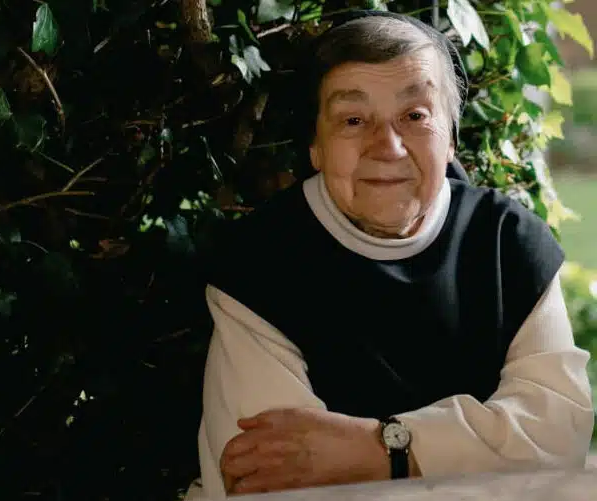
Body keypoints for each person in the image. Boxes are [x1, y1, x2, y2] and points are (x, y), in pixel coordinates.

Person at [185, 10, 594, 500]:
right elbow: (269, 478)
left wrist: (380, 449)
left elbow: (558, 435)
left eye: (415, 116)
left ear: (450, 137)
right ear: (315, 146)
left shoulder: (506, 243)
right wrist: (479, 453)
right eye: (353, 120)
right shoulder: (260, 264)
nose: (388, 146)